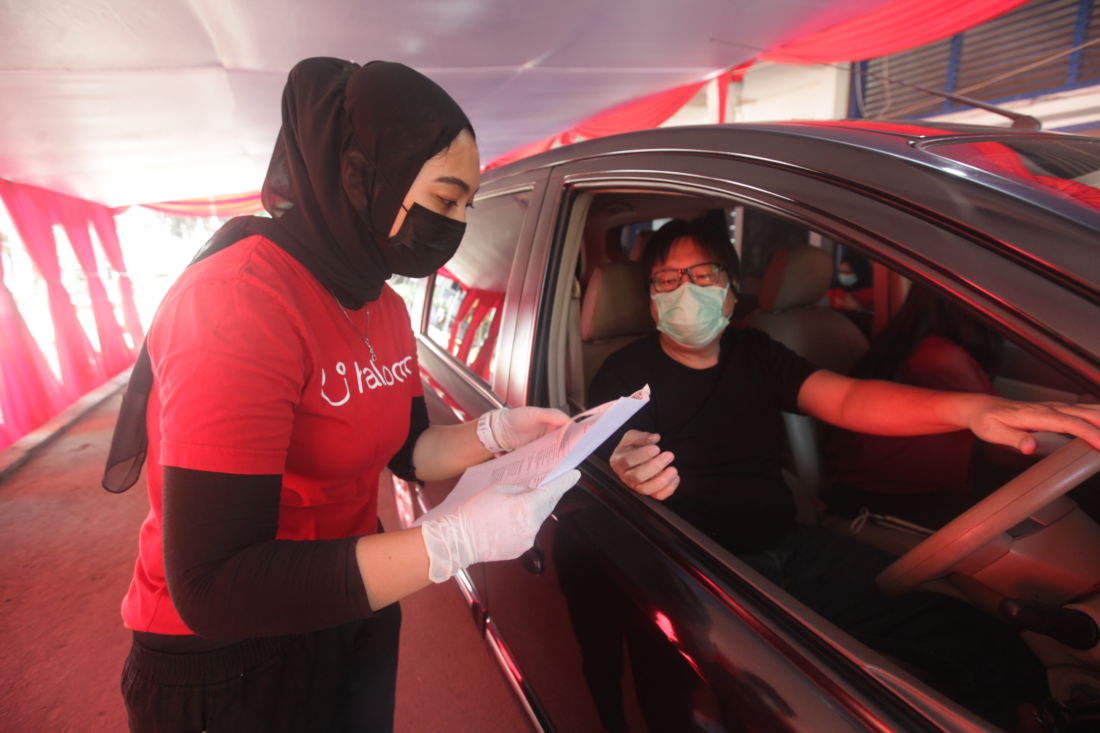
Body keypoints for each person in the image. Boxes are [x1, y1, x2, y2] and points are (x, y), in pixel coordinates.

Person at [105, 57, 578, 732]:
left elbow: (408, 449)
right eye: (445, 200)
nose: (456, 226)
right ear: (361, 177)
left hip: (352, 605)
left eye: (466, 206)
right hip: (231, 658)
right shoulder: (241, 300)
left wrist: (499, 433)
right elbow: (216, 583)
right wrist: (446, 543)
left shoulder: (380, 303)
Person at [588, 216, 1100, 727]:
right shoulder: (625, 373)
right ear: (651, 298)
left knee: (973, 638)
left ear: (730, 289)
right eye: (668, 280)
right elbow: (618, 451)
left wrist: (971, 410)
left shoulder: (756, 352)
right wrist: (625, 473)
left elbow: (849, 398)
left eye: (703, 275)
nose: (685, 292)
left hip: (792, 548)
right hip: (706, 574)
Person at [824, 284, 1005, 527]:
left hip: (894, 486)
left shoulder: (930, 347)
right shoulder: (940, 358)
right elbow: (1000, 436)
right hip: (891, 497)